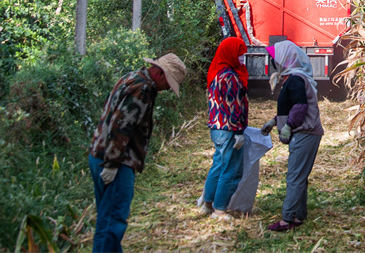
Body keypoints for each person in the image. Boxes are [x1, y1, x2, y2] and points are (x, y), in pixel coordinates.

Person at [88, 54, 187, 253]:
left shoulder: (131, 77)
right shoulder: (142, 89)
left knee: (108, 218)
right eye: (169, 82)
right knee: (111, 223)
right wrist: (112, 163)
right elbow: (121, 125)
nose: (167, 88)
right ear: (160, 73)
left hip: (99, 154)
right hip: (116, 161)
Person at [261, 40, 324, 232]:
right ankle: (299, 215)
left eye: (276, 59)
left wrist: (288, 126)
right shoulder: (294, 78)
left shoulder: (296, 79)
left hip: (305, 133)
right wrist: (274, 122)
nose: (274, 62)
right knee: (300, 176)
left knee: (294, 176)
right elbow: (291, 106)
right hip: (306, 132)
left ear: (286, 60)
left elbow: (299, 107)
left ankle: (287, 219)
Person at [200, 36, 250, 219]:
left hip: (216, 127)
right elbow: (234, 106)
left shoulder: (216, 71)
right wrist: (238, 132)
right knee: (231, 168)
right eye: (240, 54)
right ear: (231, 54)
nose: (242, 58)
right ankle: (219, 209)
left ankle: (207, 203)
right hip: (229, 128)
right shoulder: (230, 77)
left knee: (218, 165)